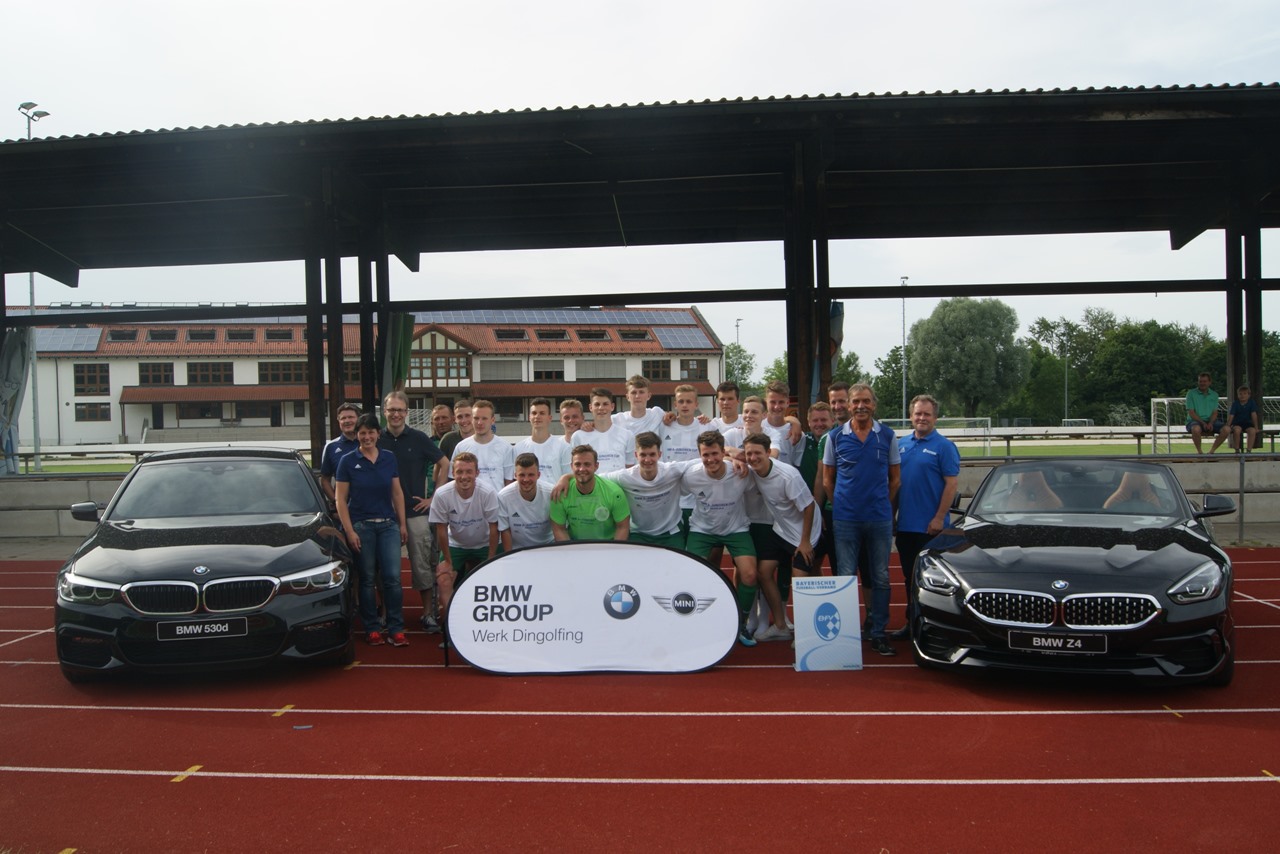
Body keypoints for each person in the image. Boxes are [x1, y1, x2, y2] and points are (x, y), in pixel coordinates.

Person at [822, 383, 900, 657]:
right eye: (856, 402)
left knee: (880, 576)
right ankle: (845, 636)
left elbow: (895, 479)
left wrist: (882, 505)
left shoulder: (887, 436)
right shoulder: (835, 437)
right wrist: (842, 502)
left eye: (866, 401)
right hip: (846, 519)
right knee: (845, 576)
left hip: (878, 519)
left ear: (874, 405)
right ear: (849, 405)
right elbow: (827, 479)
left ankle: (878, 632)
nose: (860, 406)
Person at [335, 413, 409, 648]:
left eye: (371, 432)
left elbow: (396, 493)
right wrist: (349, 531)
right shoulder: (347, 461)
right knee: (366, 579)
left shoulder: (389, 458)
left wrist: (402, 523)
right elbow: (340, 499)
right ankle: (372, 628)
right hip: (361, 526)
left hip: (388, 525)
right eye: (362, 432)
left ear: (378, 433)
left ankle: (396, 628)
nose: (367, 437)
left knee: (392, 579)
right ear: (357, 435)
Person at [378, 391, 449, 634]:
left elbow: (445, 463)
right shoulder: (376, 439)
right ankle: (387, 613)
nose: (396, 414)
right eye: (391, 410)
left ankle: (427, 613)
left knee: (421, 566)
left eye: (400, 410)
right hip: (385, 514)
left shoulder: (418, 438)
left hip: (415, 512)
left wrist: (434, 497)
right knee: (387, 568)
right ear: (384, 412)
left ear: (406, 412)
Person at [682, 431, 760, 647]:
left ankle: (741, 622)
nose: (710, 459)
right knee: (692, 575)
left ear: (723, 452)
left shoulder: (741, 472)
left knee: (750, 574)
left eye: (715, 453)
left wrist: (736, 459)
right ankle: (700, 621)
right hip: (702, 530)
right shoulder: (691, 475)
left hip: (735, 528)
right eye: (705, 455)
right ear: (699, 454)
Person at [891, 394, 959, 639]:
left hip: (931, 529)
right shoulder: (901, 445)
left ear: (935, 418)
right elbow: (896, 485)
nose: (922, 418)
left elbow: (951, 485)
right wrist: (892, 516)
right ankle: (912, 624)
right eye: (918, 413)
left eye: (926, 414)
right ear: (911, 416)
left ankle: (932, 627)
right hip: (906, 528)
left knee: (932, 582)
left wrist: (939, 518)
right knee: (910, 579)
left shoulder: (944, 447)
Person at [743, 433, 820, 643]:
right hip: (781, 530)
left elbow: (809, 506)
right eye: (749, 453)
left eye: (757, 453)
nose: (752, 457)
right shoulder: (753, 470)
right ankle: (780, 626)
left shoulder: (788, 476)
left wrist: (805, 542)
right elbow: (732, 456)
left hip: (806, 532)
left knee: (799, 579)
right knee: (763, 572)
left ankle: (805, 632)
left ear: (769, 453)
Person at [429, 452, 500, 622]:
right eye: (459, 472)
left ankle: (489, 626)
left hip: (484, 544)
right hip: (456, 545)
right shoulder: (442, 494)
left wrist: (491, 559)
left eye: (469, 472)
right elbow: (441, 529)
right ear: (453, 473)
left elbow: (494, 527)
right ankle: (454, 626)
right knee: (444, 580)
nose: (464, 476)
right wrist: (447, 560)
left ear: (477, 473)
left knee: (493, 583)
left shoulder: (488, 492)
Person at [549, 445, 631, 541]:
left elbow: (623, 527)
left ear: (596, 466)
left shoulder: (614, 492)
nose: (582, 469)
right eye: (577, 464)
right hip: (575, 547)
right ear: (571, 466)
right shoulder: (560, 494)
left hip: (607, 546)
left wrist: (612, 552)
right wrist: (571, 553)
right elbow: (559, 529)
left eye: (587, 464)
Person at [455, 399, 514, 493]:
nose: (479, 422)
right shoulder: (461, 447)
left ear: (493, 420)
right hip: (470, 505)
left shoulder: (505, 447)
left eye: (484, 418)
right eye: (476, 418)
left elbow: (509, 481)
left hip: (496, 504)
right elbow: (455, 479)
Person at [498, 453, 555, 550]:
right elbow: (505, 530)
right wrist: (509, 557)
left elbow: (559, 527)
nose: (526, 479)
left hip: (547, 546)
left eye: (531, 475)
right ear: (515, 475)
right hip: (519, 549)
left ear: (538, 475)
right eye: (522, 475)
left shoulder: (551, 493)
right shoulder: (504, 496)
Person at [571, 388, 632, 474]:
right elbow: (575, 469)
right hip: (591, 486)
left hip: (618, 486)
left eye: (605, 404)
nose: (601, 408)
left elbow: (630, 469)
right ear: (590, 407)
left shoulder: (627, 435)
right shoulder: (578, 436)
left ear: (612, 406)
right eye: (597, 404)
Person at [514, 397, 572, 484]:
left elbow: (569, 477)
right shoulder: (518, 448)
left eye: (542, 413)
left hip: (554, 496)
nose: (537, 416)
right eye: (534, 413)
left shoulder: (563, 447)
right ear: (529, 417)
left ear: (550, 418)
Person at [319, 402, 360, 504]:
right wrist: (336, 502)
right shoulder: (331, 447)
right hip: (344, 508)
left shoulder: (370, 443)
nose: (347, 421)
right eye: (343, 418)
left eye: (351, 417)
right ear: (339, 421)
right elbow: (325, 480)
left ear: (359, 419)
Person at [613, 374, 667, 439]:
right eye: (633, 392)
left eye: (641, 392)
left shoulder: (657, 413)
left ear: (649, 396)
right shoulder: (617, 419)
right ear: (627, 397)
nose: (637, 396)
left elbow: (674, 419)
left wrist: (671, 416)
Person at [1185, 372, 1224, 454]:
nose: (1202, 383)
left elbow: (1214, 412)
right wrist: (1203, 423)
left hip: (1210, 421)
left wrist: (1210, 423)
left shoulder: (1214, 395)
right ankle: (1200, 452)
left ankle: (1212, 451)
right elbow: (1191, 412)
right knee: (1196, 429)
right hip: (1194, 421)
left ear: (1209, 382)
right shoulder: (1191, 393)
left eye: (1204, 381)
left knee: (1227, 429)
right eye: (1200, 381)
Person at [1215, 384, 1261, 453]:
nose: (1242, 396)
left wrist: (1256, 427)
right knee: (1237, 430)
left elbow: (1254, 415)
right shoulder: (1235, 404)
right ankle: (1237, 449)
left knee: (1252, 431)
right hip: (1237, 423)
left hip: (1248, 423)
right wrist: (1228, 425)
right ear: (1238, 395)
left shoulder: (1251, 403)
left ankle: (1249, 450)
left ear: (1249, 395)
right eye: (1240, 394)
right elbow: (1231, 415)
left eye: (1245, 394)